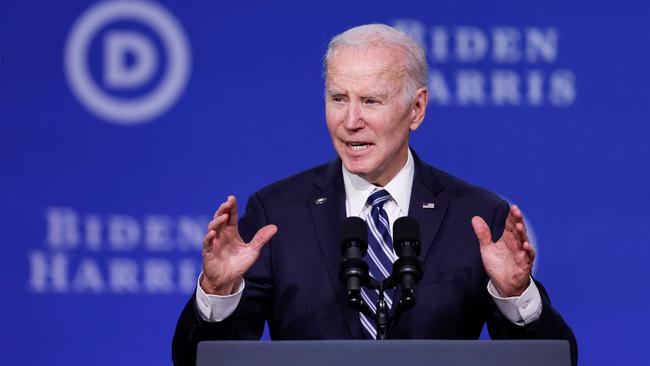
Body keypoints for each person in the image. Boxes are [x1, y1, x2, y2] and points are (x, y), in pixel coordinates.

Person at [172, 24, 577, 365]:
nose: (351, 121)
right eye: (338, 99)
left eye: (370, 101)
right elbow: (199, 359)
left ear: (416, 109)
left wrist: (515, 296)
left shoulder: (476, 216)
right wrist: (217, 292)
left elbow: (554, 358)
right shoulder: (277, 213)